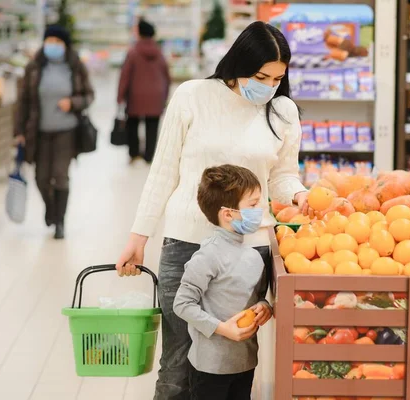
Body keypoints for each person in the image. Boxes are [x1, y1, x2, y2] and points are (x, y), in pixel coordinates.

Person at [115, 21, 311, 400]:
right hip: (187, 243)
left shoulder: (283, 111)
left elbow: (284, 175)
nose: (269, 87)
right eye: (261, 76)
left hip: (247, 251)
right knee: (176, 363)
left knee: (230, 360)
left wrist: (300, 194)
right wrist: (138, 237)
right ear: (238, 64)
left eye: (277, 79)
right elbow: (163, 172)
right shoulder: (192, 96)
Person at [173, 165, 273, 400]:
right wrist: (222, 328)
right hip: (210, 366)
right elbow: (182, 304)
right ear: (228, 214)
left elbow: (257, 297)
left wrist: (264, 307)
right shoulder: (208, 255)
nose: (259, 210)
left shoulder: (252, 255)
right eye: (252, 205)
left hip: (245, 361)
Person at [15, 25, 94, 239]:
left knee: (60, 176)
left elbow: (89, 95)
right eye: (49, 41)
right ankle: (51, 209)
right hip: (38, 132)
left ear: (65, 45)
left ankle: (60, 221)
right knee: (41, 178)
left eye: (57, 42)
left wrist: (73, 102)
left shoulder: (75, 67)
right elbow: (23, 101)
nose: (53, 46)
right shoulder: (34, 67)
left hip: (67, 132)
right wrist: (19, 130)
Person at [117, 19, 170, 164]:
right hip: (156, 96)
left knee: (133, 124)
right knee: (152, 126)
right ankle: (149, 156)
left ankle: (134, 154)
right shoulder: (159, 52)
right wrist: (165, 96)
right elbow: (166, 76)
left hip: (136, 96)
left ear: (139, 33)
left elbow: (125, 76)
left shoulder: (133, 52)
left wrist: (120, 96)